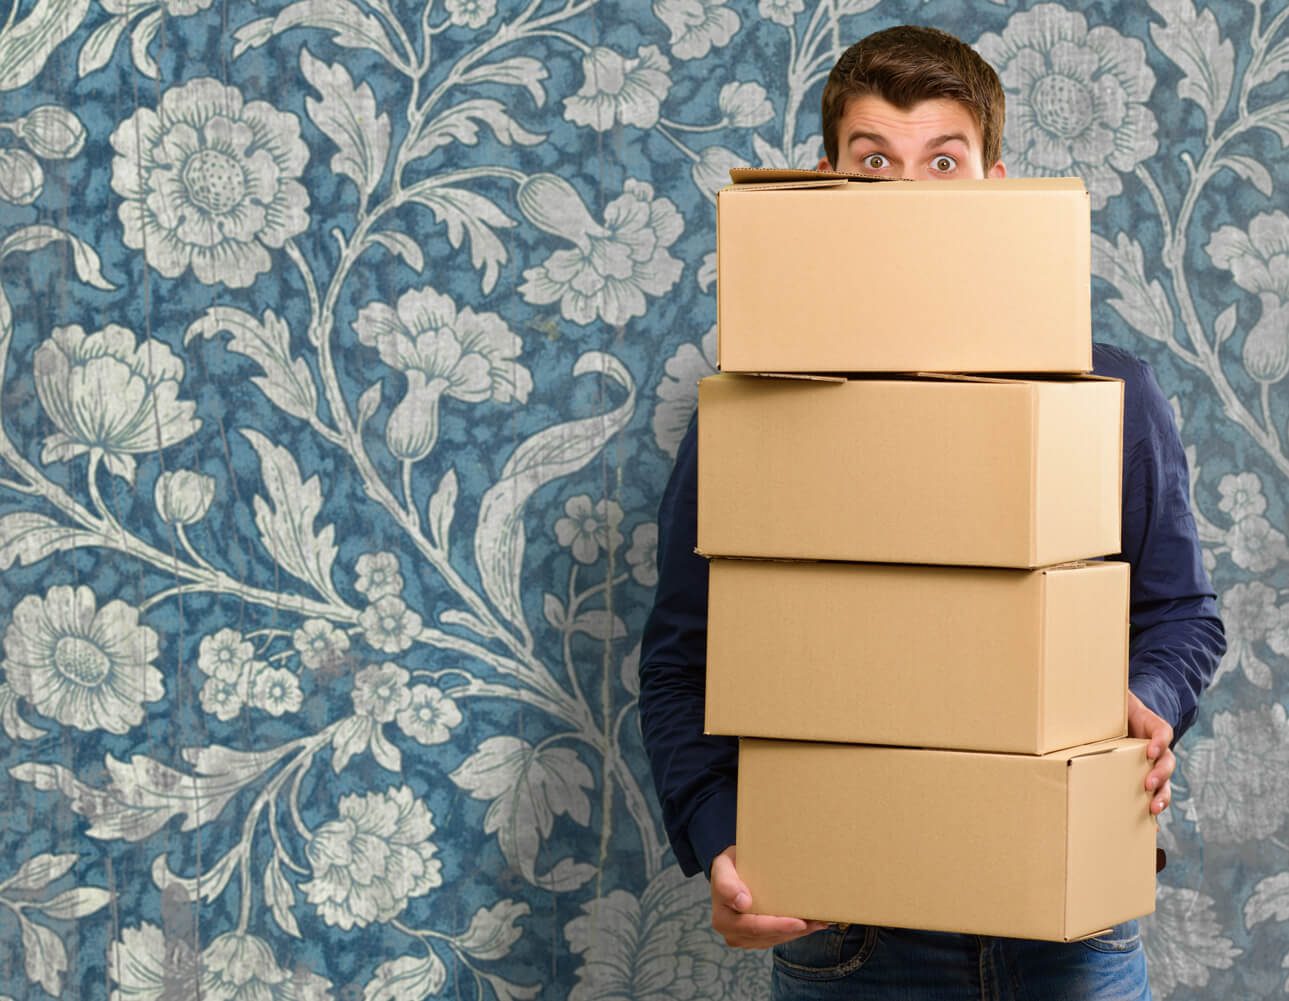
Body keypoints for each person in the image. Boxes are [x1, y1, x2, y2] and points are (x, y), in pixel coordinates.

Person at [637, 24, 1226, 1001]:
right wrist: (719, 840)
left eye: (939, 161)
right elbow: (684, 654)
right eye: (874, 162)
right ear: (825, 182)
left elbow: (1180, 615)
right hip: (851, 933)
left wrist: (1146, 703)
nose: (907, 193)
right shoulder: (754, 409)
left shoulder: (1104, 391)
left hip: (1070, 928)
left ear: (991, 182)